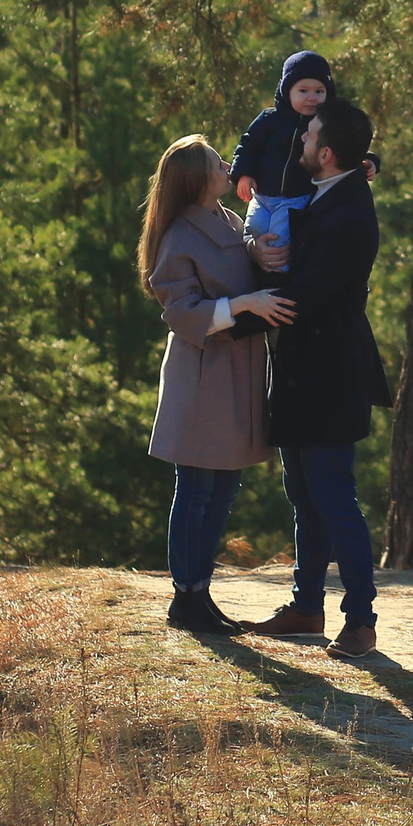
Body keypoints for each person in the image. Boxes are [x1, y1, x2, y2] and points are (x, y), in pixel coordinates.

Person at [232, 96, 391, 659]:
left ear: (325, 154)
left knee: (334, 496)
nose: (298, 140)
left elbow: (308, 293)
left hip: (330, 372)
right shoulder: (326, 196)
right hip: (303, 369)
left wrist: (228, 318)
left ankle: (361, 620)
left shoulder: (348, 212)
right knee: (304, 494)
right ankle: (306, 606)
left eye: (307, 136)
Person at [139, 134, 294, 635]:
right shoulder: (178, 236)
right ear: (196, 179)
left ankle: (199, 593)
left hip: (237, 372)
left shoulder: (227, 220)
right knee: (198, 487)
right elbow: (180, 311)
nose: (228, 165)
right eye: (216, 163)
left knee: (224, 485)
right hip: (203, 375)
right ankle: (185, 597)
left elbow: (240, 263)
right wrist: (245, 305)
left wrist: (260, 252)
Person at [229, 50, 337, 246]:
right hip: (261, 196)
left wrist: (370, 161)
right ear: (287, 91)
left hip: (295, 200)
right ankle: (251, 272)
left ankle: (276, 273)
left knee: (279, 240)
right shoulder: (270, 119)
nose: (312, 97)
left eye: (319, 91)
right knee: (253, 232)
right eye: (303, 91)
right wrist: (243, 174)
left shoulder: (325, 124)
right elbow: (248, 146)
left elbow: (348, 145)